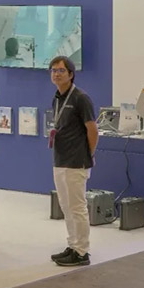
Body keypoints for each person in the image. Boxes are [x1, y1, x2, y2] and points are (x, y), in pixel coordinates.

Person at [48, 55, 97, 267]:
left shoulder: (81, 98)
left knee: (77, 207)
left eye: (61, 70)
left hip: (77, 161)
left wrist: (88, 154)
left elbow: (92, 130)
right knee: (66, 207)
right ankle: (73, 244)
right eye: (53, 70)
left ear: (70, 74)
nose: (57, 74)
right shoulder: (57, 98)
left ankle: (82, 251)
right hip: (60, 159)